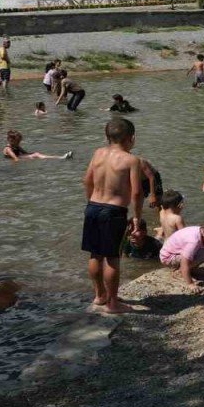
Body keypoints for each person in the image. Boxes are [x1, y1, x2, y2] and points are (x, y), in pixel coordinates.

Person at [81, 118, 145, 314]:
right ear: (131, 138)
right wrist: (136, 217)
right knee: (112, 258)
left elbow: (87, 180)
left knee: (95, 254)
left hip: (92, 207)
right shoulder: (131, 160)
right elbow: (136, 192)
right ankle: (113, 304)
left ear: (107, 137)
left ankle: (100, 295)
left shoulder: (98, 153)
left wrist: (90, 202)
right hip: (113, 212)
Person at [3, 130, 72, 161]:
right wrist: (31, 159)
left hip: (20, 157)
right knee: (36, 155)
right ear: (10, 140)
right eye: (17, 141)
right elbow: (16, 159)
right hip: (17, 158)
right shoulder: (8, 149)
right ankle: (60, 158)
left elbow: (26, 153)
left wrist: (32, 155)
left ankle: (60, 157)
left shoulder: (16, 146)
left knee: (36, 154)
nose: (19, 143)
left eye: (19, 141)